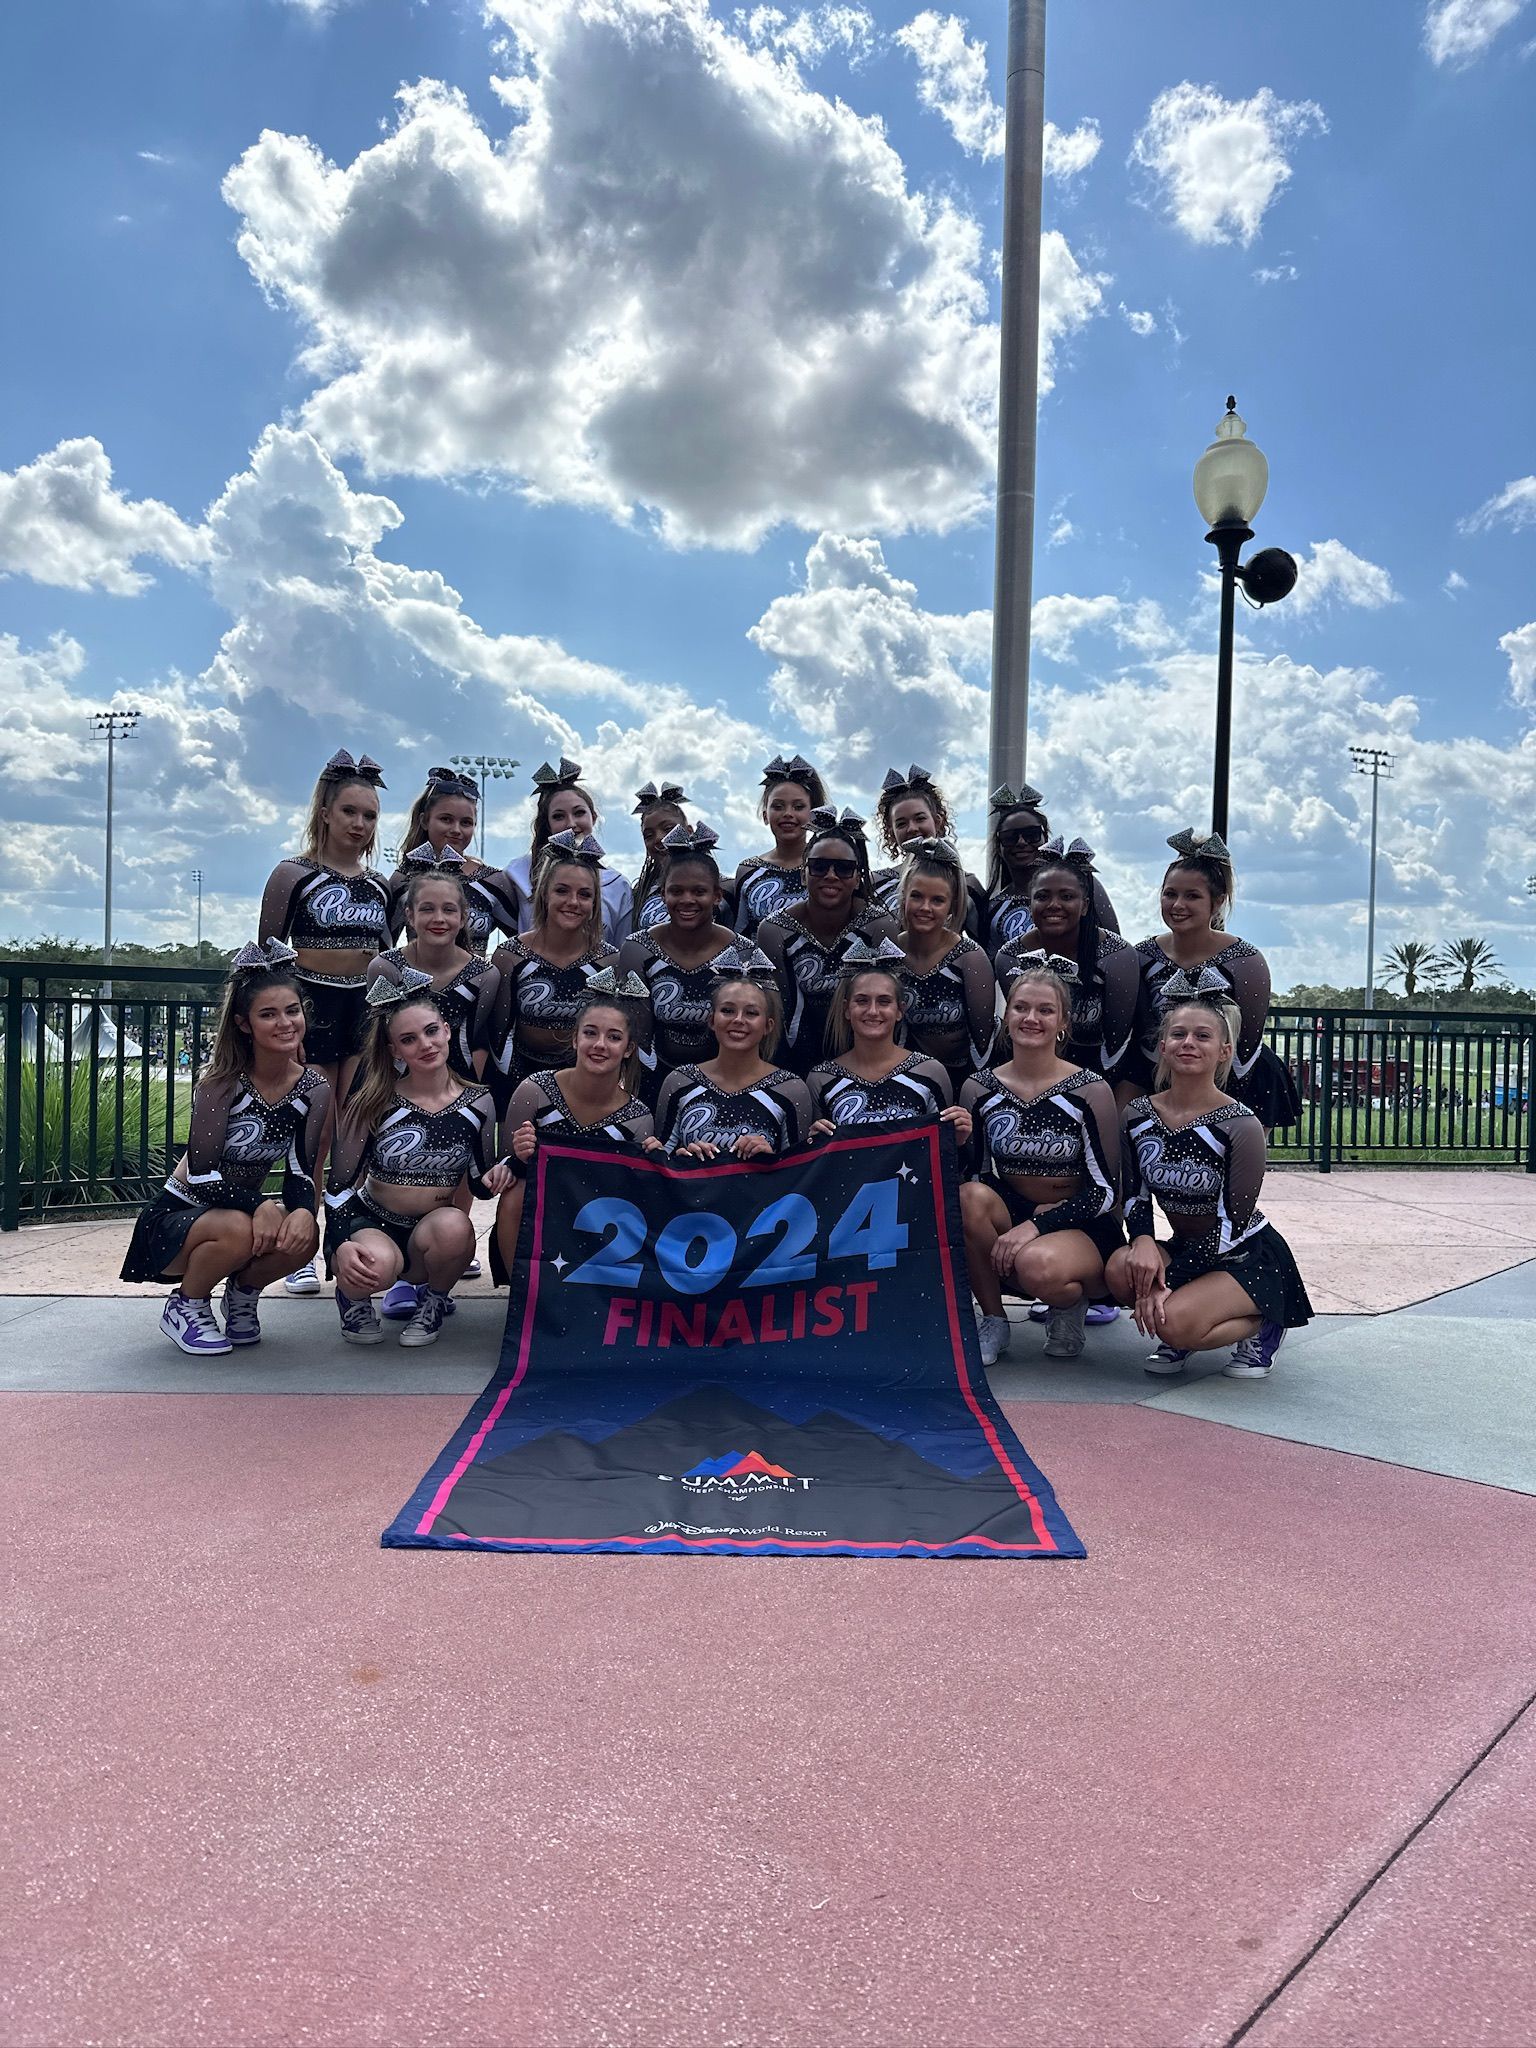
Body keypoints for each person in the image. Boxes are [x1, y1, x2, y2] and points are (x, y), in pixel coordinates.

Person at [121, 941, 328, 1355]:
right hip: (179, 1219)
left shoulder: (313, 1087)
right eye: (268, 1014)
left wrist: (304, 1210)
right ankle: (187, 1304)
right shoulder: (221, 1085)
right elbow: (200, 1173)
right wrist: (259, 1206)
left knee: (303, 1236)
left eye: (292, 1010)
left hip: (239, 1209)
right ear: (244, 1023)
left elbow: (301, 1169)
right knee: (238, 1226)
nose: (285, 1023)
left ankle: (243, 1293)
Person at [1107, 972, 1313, 1378]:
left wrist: (1165, 1285)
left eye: (1202, 1036)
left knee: (1171, 1320)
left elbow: (1232, 1220)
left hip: (1243, 1252)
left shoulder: (1241, 1124)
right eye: (1179, 1034)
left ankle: (1264, 1322)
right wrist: (1145, 1241)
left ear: (1224, 1051)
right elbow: (1134, 1194)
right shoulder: (1138, 1115)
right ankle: (1187, 1318)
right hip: (1187, 1245)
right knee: (1120, 1268)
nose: (1189, 1043)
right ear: (1162, 1047)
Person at [259, 747, 392, 1296]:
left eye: (370, 816)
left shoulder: (383, 884)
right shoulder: (293, 873)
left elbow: (389, 955)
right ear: (325, 813)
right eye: (350, 813)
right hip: (309, 1004)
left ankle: (346, 1234)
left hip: (362, 1006)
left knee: (353, 1126)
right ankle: (301, 1243)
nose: (360, 825)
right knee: (310, 1127)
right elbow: (267, 953)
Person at [325, 981, 511, 1347]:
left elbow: (477, 1183)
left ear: (446, 1029)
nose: (425, 1045)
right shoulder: (375, 1100)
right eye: (409, 1039)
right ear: (394, 1049)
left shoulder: (479, 1102)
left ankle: (434, 1299)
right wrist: (339, 1243)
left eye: (430, 1031)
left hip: (431, 1230)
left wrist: (507, 1165)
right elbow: (339, 1185)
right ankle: (354, 1297)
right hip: (374, 1222)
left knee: (456, 1226)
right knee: (372, 1264)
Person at [958, 957, 1123, 1366]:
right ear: (1006, 1015)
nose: (1031, 1018)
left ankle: (1069, 1304)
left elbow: (1107, 1190)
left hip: (1080, 1221)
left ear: (1064, 1021)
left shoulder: (1090, 1089)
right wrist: (959, 1143)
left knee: (1039, 1267)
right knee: (967, 1197)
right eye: (1021, 1008)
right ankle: (994, 1320)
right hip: (1019, 1212)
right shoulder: (979, 1087)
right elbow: (978, 1174)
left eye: (1045, 1010)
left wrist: (1039, 1225)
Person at [367, 856, 501, 1309]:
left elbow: (480, 1041)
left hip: (457, 1076)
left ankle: (440, 1265)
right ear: (409, 915)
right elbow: (375, 1039)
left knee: (453, 1168)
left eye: (449, 910)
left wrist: (471, 1098)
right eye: (427, 909)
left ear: (465, 918)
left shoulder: (484, 973)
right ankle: (402, 1265)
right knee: (402, 1162)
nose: (438, 918)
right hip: (402, 1079)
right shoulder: (384, 967)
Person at [492, 975, 657, 1287]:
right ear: (574, 1039)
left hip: (597, 1221)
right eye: (590, 1033)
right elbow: (503, 1173)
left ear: (629, 1049)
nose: (599, 1045)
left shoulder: (637, 1117)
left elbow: (630, 1196)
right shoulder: (535, 1090)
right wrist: (518, 1156)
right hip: (540, 1219)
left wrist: (650, 1162)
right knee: (515, 1193)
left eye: (613, 1037)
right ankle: (525, 1291)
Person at [1131, 829, 1302, 1129]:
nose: (1178, 905)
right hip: (1160, 1075)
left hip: (1237, 1081)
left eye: (1192, 896)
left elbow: (1245, 1047)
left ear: (1218, 901)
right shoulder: (1143, 955)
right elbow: (1141, 1034)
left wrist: (1221, 1113)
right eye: (1170, 894)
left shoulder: (1245, 961)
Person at [755, 807, 900, 1076]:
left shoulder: (878, 926)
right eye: (819, 866)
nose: (830, 876)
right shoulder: (774, 930)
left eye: (844, 869)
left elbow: (887, 1006)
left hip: (866, 1056)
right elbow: (779, 1015)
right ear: (803, 873)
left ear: (858, 878)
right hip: (794, 1058)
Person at [487, 831, 618, 1109]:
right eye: (562, 891)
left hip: (585, 1081)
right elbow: (499, 1036)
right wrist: (519, 1092)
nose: (573, 902)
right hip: (520, 1077)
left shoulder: (608, 961)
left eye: (584, 894)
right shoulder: (510, 955)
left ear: (595, 903)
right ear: (543, 893)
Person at [995, 840, 1140, 1089]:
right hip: (1032, 1071)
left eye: (1067, 897)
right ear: (1030, 905)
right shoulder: (1010, 957)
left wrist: (1093, 1094)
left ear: (1084, 906)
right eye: (1042, 896)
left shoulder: (1117, 956)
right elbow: (1020, 1034)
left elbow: (1118, 1044)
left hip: (1105, 1076)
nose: (1054, 905)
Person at [615, 821, 739, 1099]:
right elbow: (637, 1034)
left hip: (726, 1080)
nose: (687, 900)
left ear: (717, 896)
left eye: (699, 892)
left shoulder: (740, 951)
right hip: (655, 1077)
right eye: (676, 891)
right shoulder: (638, 949)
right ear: (662, 895)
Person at [651, 947, 813, 1157]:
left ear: (768, 1025)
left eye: (751, 1013)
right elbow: (660, 1164)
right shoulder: (679, 1081)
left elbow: (801, 1175)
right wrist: (681, 1157)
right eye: (727, 1010)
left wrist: (771, 1158)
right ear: (712, 1020)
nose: (738, 1020)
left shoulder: (791, 1089)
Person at [807, 939, 971, 1143]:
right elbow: (814, 1166)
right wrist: (812, 1143)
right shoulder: (821, 1079)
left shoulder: (930, 1071)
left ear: (900, 1010)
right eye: (862, 1001)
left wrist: (958, 1138)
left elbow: (943, 1152)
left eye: (884, 1001)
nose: (873, 1011)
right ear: (846, 1009)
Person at [892, 838, 997, 1098]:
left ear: (952, 905)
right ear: (904, 897)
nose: (925, 908)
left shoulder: (970, 957)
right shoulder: (892, 952)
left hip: (965, 1074)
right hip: (911, 1076)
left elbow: (983, 1041)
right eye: (916, 896)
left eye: (937, 900)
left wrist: (971, 1096)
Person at [388, 765, 522, 954]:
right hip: (419, 983)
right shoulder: (403, 878)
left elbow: (524, 945)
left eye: (466, 823)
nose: (456, 830)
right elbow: (383, 946)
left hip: (477, 983)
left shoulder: (493, 880)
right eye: (446, 819)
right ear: (425, 821)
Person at [504, 758, 634, 944]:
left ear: (594, 817)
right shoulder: (517, 872)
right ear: (547, 824)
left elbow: (622, 950)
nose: (571, 824)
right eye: (558, 816)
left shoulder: (618, 885)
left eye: (579, 813)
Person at [986, 785, 1119, 953]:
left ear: (1045, 839)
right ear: (999, 846)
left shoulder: (1083, 883)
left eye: (1031, 834)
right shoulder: (994, 906)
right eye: (1010, 837)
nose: (1021, 842)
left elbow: (1115, 946)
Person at [870, 765, 988, 936]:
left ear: (938, 821)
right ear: (891, 832)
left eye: (920, 818)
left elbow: (983, 945)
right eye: (901, 823)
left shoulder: (967, 884)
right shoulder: (875, 884)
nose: (912, 828)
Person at [732, 753, 827, 941]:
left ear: (814, 814)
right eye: (778, 806)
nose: (788, 814)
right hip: (761, 968)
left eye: (798, 807)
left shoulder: (830, 866)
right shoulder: (749, 870)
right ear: (765, 815)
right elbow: (739, 937)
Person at [629, 780, 690, 936]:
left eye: (668, 829)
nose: (659, 838)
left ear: (689, 831)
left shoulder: (722, 886)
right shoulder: (638, 894)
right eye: (649, 835)